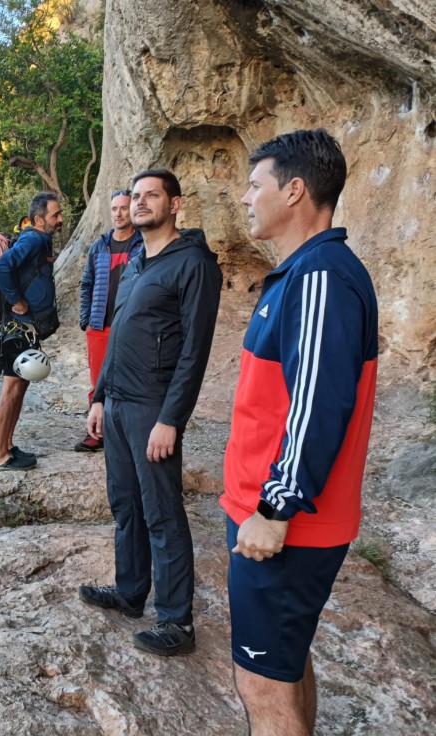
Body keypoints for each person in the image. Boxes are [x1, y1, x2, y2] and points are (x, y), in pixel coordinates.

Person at [222, 129, 377, 735]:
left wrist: (276, 509)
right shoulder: (307, 274)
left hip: (289, 524)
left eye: (253, 185)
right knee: (285, 664)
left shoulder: (319, 277)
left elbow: (317, 404)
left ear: (293, 190)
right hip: (274, 515)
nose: (243, 198)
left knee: (262, 684)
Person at [79, 168, 222, 656]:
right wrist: (99, 396)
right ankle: (130, 591)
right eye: (135, 196)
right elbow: (118, 333)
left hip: (152, 409)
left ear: (175, 204)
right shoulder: (137, 259)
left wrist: (171, 419)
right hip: (117, 404)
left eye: (151, 196)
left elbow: (194, 352)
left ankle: (177, 623)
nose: (140, 203)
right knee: (125, 506)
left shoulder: (194, 264)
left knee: (162, 514)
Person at [0, 192, 63, 471]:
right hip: (18, 329)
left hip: (26, 330)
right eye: (55, 215)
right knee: (11, 389)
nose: (60, 219)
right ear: (39, 219)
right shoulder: (32, 238)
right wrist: (16, 300)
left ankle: (7, 447)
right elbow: (1, 266)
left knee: (19, 386)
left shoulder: (39, 241)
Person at [74, 188, 143, 452]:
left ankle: (125, 434)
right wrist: (86, 320)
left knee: (130, 379)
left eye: (124, 208)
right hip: (100, 325)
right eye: (114, 209)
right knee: (98, 381)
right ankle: (97, 433)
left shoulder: (143, 245)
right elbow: (87, 283)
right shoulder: (99, 246)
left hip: (130, 326)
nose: (119, 214)